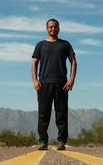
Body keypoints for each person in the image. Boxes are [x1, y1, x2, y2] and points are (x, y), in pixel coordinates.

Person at [31, 19, 77, 151]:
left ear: (59, 28)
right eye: (50, 27)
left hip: (62, 84)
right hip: (43, 84)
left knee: (61, 114)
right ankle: (43, 142)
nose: (53, 29)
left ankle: (61, 141)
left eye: (55, 27)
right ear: (46, 29)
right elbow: (34, 63)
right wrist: (35, 80)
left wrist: (71, 79)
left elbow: (73, 62)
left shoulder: (65, 44)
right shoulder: (40, 45)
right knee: (43, 114)